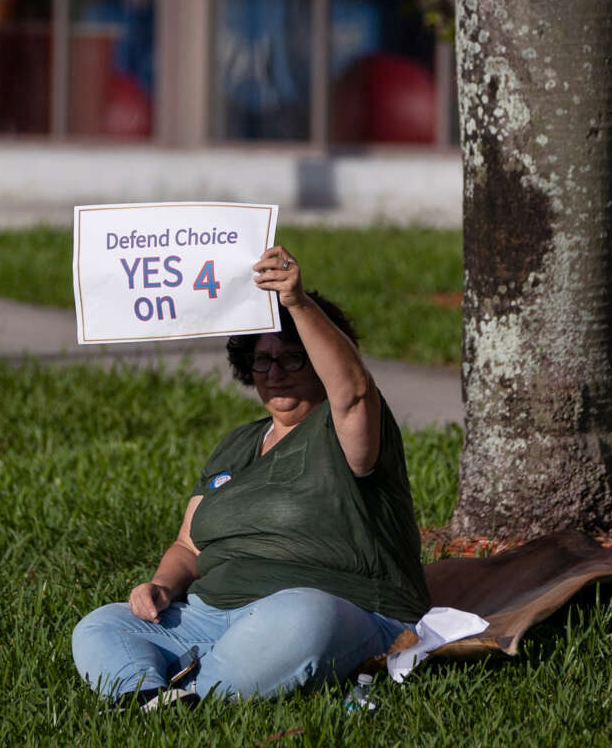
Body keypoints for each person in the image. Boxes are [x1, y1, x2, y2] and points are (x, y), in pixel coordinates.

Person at [71, 246, 430, 706]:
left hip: (340, 607)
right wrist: (161, 586)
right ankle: (143, 693)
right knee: (103, 624)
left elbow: (355, 392)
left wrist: (298, 303)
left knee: (304, 615)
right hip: (211, 613)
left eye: (293, 358)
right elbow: (188, 546)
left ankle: (194, 693)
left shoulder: (345, 427)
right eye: (262, 360)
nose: (275, 373)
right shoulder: (237, 444)